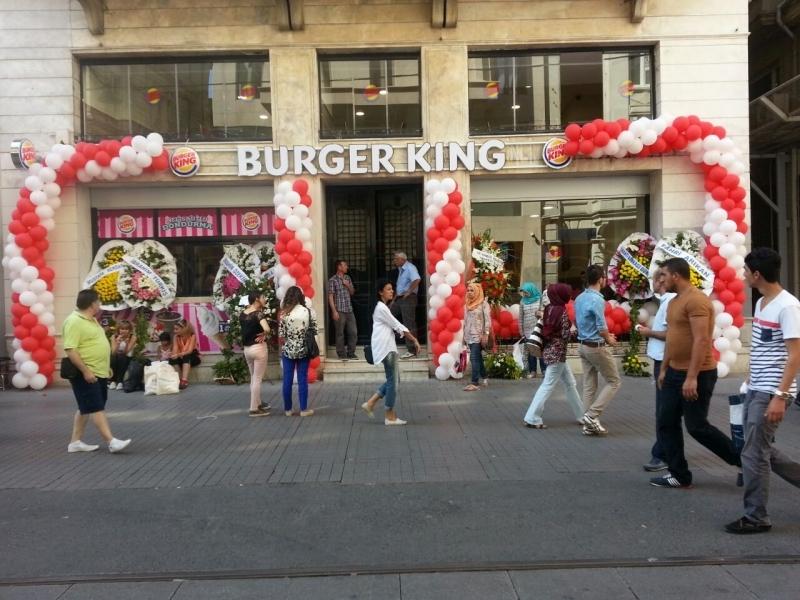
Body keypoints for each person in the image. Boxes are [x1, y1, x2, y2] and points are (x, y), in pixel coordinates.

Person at [725, 248, 800, 533]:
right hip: (757, 388)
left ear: (757, 274)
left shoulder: (788, 307)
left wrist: (780, 397)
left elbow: (795, 356)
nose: (743, 275)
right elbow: (763, 349)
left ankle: (756, 517)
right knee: (758, 449)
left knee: (754, 454)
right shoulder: (762, 304)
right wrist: (749, 378)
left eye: (746, 271)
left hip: (772, 392)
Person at [651, 257, 741, 488]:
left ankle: (744, 462)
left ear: (676, 276)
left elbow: (701, 340)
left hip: (698, 374)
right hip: (673, 371)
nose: (660, 279)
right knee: (666, 421)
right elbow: (673, 337)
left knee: (697, 427)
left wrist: (691, 377)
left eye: (663, 275)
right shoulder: (673, 302)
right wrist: (664, 368)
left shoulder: (697, 301)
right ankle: (679, 474)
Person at [62, 289, 131, 454]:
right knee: (96, 407)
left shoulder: (92, 320)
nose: (100, 304)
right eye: (98, 301)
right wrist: (85, 371)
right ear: (92, 304)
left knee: (86, 407)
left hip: (98, 371)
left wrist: (106, 366)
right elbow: (71, 349)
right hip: (85, 373)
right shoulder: (74, 321)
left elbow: (96, 344)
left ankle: (75, 442)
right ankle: (111, 441)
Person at [522, 283, 584, 429]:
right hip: (558, 354)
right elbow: (564, 335)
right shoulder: (561, 311)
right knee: (548, 385)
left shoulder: (549, 309)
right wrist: (576, 331)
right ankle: (532, 417)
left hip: (550, 351)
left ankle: (582, 415)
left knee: (570, 384)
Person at [362, 281, 421, 425]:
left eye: (392, 289)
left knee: (393, 380)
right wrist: (414, 340)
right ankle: (389, 416)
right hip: (387, 349)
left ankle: (370, 403)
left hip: (386, 348)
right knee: (393, 383)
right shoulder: (381, 308)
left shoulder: (382, 307)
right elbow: (397, 325)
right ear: (380, 292)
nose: (392, 291)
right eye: (388, 289)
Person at [637, 267, 676, 472]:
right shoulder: (666, 302)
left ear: (662, 281)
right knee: (666, 411)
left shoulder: (670, 302)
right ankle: (667, 451)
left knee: (665, 411)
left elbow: (670, 334)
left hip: (665, 361)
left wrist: (648, 332)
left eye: (655, 279)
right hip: (661, 359)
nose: (652, 283)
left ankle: (662, 454)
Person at [574, 264, 620, 435]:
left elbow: (577, 322)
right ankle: (592, 416)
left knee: (589, 385)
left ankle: (587, 422)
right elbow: (601, 326)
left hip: (583, 345)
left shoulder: (579, 298)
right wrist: (609, 339)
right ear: (601, 279)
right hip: (596, 346)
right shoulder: (597, 300)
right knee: (614, 381)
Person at [279, 286, 317, 417]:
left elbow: (281, 334)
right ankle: (303, 409)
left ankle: (288, 409)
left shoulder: (284, 313)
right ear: (300, 296)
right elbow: (314, 329)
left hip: (288, 350)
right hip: (303, 349)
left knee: (287, 380)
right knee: (302, 379)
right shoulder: (307, 311)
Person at [240, 291, 272, 417]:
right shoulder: (258, 314)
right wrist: (265, 334)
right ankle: (254, 408)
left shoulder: (243, 314)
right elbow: (267, 328)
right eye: (263, 297)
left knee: (253, 378)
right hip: (258, 349)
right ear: (257, 299)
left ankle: (258, 403)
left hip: (247, 350)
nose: (265, 299)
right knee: (257, 379)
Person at [390, 251, 421, 358]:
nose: (394, 261)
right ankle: (388, 342)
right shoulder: (400, 269)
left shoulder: (410, 268)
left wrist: (408, 292)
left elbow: (417, 279)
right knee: (388, 315)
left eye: (396, 259)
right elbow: (399, 287)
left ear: (402, 259)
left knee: (409, 323)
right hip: (399, 298)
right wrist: (394, 300)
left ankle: (412, 350)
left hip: (408, 298)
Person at [462, 282, 491, 391]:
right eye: (468, 290)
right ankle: (485, 377)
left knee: (474, 358)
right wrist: (463, 336)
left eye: (472, 290)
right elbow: (465, 321)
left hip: (478, 335)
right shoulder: (467, 304)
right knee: (477, 357)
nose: (469, 292)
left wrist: (486, 334)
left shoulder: (483, 304)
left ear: (477, 291)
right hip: (469, 335)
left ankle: (475, 383)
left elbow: (487, 320)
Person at [327, 259, 357, 359]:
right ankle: (342, 354)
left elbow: (352, 292)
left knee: (353, 332)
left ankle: (351, 353)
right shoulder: (332, 280)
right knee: (340, 333)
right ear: (339, 267)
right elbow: (330, 296)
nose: (347, 267)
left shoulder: (348, 278)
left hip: (349, 309)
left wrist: (348, 285)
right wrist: (334, 311)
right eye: (345, 265)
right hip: (339, 310)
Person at [519, 282, 546, 378]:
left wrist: (540, 313)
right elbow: (521, 318)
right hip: (527, 330)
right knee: (531, 351)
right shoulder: (522, 302)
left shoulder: (539, 299)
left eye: (526, 292)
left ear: (531, 290)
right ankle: (533, 371)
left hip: (538, 329)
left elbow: (544, 313)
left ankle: (544, 370)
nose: (525, 295)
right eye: (524, 293)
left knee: (541, 349)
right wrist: (521, 332)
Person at [169, 319, 201, 390]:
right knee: (172, 359)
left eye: (177, 329)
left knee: (187, 356)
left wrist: (178, 355)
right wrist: (173, 355)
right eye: (174, 329)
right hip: (181, 357)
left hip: (193, 357)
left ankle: (184, 380)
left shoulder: (192, 336)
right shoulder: (176, 337)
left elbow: (189, 351)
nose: (175, 331)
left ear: (184, 328)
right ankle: (179, 380)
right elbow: (175, 348)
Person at [109, 320, 137, 390]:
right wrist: (118, 343)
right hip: (116, 357)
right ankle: (113, 381)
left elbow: (126, 352)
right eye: (122, 329)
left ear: (129, 330)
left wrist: (127, 343)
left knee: (122, 357)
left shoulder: (132, 337)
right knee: (113, 357)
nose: (124, 331)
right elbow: (113, 352)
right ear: (118, 329)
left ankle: (120, 381)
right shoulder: (114, 337)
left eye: (126, 329)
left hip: (127, 357)